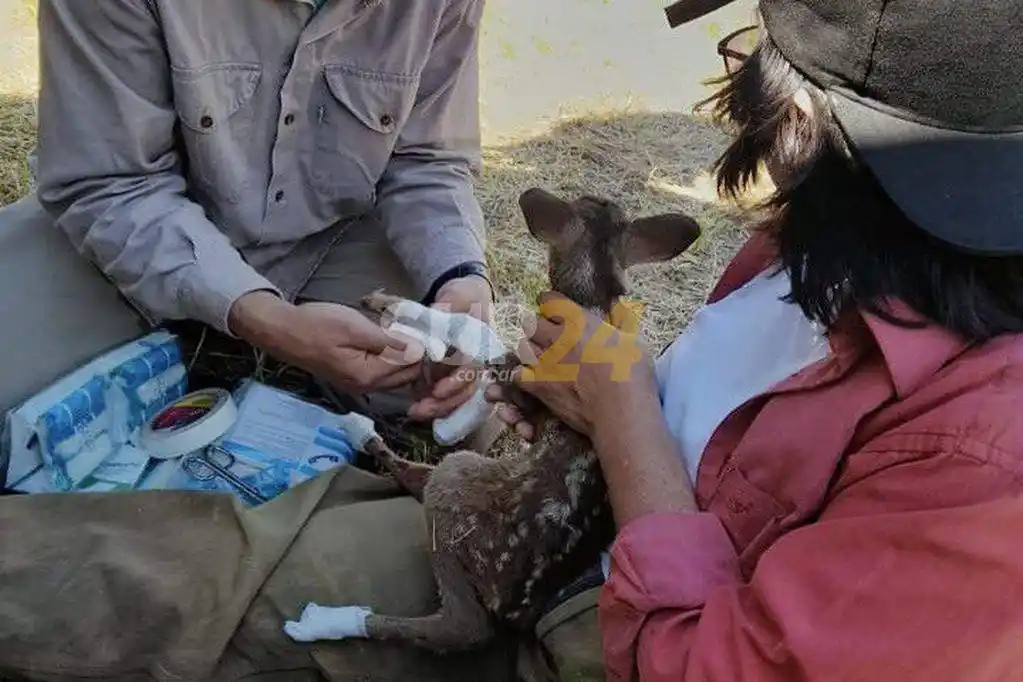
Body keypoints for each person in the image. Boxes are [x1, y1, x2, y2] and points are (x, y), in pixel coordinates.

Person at [4, 1, 1023, 681]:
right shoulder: (837, 255)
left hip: (584, 605)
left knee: (171, 573)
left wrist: (618, 421)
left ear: (810, 128)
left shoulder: (981, 463)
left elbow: (703, 656)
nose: (760, 175)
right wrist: (549, 386)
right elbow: (107, 186)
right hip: (565, 519)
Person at [0, 0, 495, 435]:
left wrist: (457, 275)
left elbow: (427, 158)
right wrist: (268, 319)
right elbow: (111, 184)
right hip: (123, 247)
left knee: (458, 398)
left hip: (330, 240)